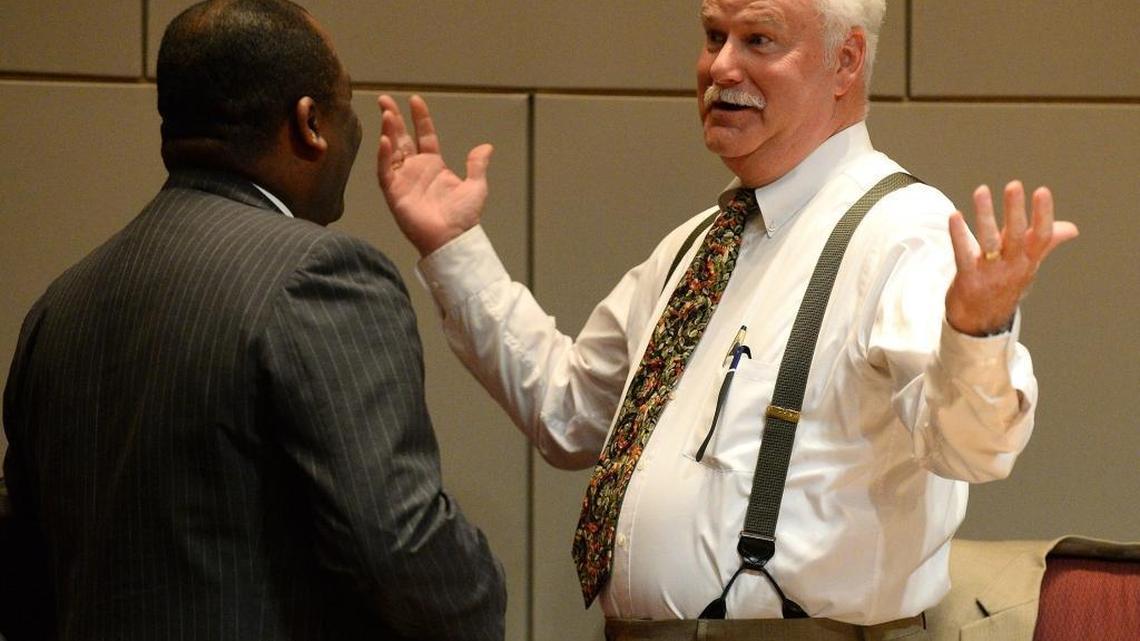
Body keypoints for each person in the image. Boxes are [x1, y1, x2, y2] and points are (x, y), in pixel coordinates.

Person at [375, 0, 1078, 638]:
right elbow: (569, 412)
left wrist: (977, 335)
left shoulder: (903, 233)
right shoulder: (695, 247)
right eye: (713, 36)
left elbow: (973, 448)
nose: (720, 67)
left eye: (759, 40)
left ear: (847, 61)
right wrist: (452, 247)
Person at [0, 1, 506, 639]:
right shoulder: (319, 273)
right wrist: (482, 599)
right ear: (310, 123)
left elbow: (22, 575)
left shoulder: (58, 307)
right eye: (345, 109)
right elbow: (398, 542)